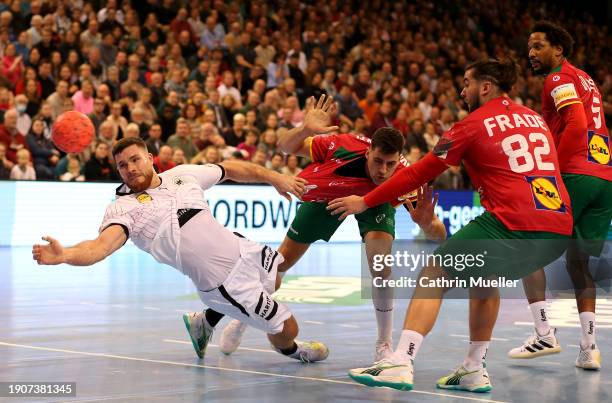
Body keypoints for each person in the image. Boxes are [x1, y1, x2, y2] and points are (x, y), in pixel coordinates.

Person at [328, 60, 572, 392]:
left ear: (485, 87)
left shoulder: (470, 125)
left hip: (513, 222)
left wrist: (365, 201)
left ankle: (401, 360)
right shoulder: (536, 119)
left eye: (467, 82)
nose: (461, 90)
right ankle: (473, 368)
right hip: (559, 227)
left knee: (435, 271)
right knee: (484, 276)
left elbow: (417, 173)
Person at [32, 137, 329, 363]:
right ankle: (294, 351)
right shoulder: (122, 209)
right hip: (224, 284)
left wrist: (273, 176)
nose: (131, 168)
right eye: (123, 165)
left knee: (275, 277)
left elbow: (230, 169)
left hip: (242, 248)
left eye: (135, 160)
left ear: (150, 158)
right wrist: (65, 255)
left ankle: (210, 320)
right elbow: (99, 247)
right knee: (288, 329)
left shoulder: (182, 174)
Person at [217, 95, 446, 362]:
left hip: (375, 204)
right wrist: (304, 129)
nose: (383, 170)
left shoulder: (406, 177)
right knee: (278, 265)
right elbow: (286, 147)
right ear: (368, 152)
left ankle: (384, 344)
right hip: (330, 195)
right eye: (378, 161)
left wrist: (427, 223)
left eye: (390, 164)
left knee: (381, 265)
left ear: (399, 160)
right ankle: (242, 320)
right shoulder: (344, 144)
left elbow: (439, 235)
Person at [506, 21, 612, 370]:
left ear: (559, 50)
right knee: (577, 264)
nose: (531, 53)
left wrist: (553, 171)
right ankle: (589, 346)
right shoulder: (584, 78)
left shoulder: (558, 79)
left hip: (576, 173)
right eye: (529, 47)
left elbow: (577, 125)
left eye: (538, 46)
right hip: (605, 177)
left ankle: (543, 333)